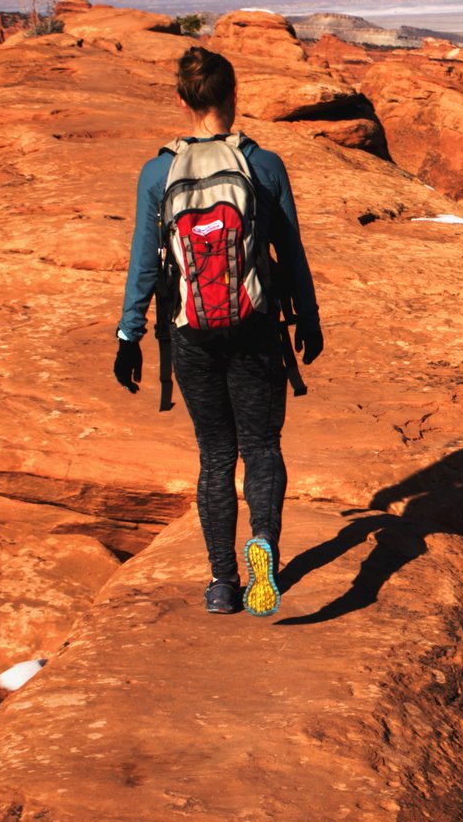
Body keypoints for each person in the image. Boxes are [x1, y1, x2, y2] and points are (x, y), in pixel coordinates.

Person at [112, 46, 322, 616]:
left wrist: (130, 335)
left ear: (182, 101)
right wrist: (307, 316)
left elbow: (144, 263)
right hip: (255, 326)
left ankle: (223, 583)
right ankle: (266, 550)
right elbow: (291, 252)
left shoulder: (158, 173)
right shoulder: (264, 164)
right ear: (234, 96)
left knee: (214, 456)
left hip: (192, 334)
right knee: (261, 447)